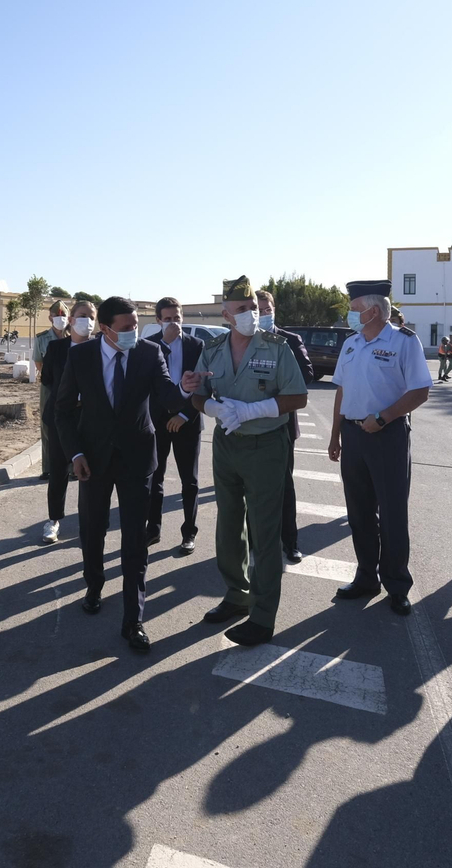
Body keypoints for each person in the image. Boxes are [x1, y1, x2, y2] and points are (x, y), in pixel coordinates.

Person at [55, 296, 187, 653]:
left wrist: (185, 389)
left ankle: (134, 620)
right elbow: (62, 411)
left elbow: (167, 395)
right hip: (92, 460)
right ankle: (94, 585)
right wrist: (75, 454)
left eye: (135, 326)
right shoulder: (81, 356)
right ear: (105, 329)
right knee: (92, 529)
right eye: (126, 328)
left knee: (134, 540)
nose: (133, 333)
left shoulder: (149, 353)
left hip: (137, 459)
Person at [189, 276, 309, 646]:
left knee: (264, 530)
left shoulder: (276, 347)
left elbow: (298, 397)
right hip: (226, 444)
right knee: (228, 524)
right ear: (226, 315)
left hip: (266, 445)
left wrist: (252, 410)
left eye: (253, 307)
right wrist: (211, 407)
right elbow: (197, 393)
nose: (250, 314)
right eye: (242, 309)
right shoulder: (213, 349)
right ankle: (236, 594)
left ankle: (262, 616)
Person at [327, 279, 432, 615]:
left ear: (373, 311)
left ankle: (397, 585)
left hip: (387, 435)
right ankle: (365, 578)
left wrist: (384, 418)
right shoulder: (351, 343)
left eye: (354, 308)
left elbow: (420, 391)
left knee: (392, 513)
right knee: (359, 513)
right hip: (353, 434)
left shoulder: (404, 341)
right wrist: (335, 435)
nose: (349, 314)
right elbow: (341, 391)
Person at [257, 288, 315, 563]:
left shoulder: (290, 340)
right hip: (249, 425)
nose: (263, 314)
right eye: (258, 310)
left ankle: (290, 542)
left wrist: (274, 378)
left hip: (281, 425)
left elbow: (307, 374)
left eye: (267, 309)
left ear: (274, 310)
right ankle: (257, 541)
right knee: (253, 489)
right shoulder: (244, 340)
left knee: (283, 486)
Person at [146, 297, 204, 553]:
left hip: (187, 421)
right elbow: (146, 383)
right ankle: (153, 529)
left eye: (177, 318)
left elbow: (203, 385)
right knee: (154, 478)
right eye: (167, 319)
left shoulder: (196, 345)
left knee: (189, 481)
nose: (173, 323)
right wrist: (165, 343)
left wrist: (184, 415)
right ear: (158, 320)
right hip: (157, 422)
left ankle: (189, 532)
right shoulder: (150, 346)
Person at [39, 300, 96, 543]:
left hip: (90, 417)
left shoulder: (99, 348)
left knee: (91, 470)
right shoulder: (57, 348)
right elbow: (47, 378)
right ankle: (53, 520)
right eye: (82, 315)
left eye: (91, 317)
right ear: (71, 320)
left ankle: (90, 520)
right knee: (58, 470)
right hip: (61, 416)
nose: (87, 321)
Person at [32, 300, 71, 478]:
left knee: (71, 424)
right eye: (56, 315)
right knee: (47, 424)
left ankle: (72, 467)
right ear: (50, 318)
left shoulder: (73, 337)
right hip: (49, 386)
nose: (60, 318)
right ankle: (48, 467)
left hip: (71, 386)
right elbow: (38, 362)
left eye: (63, 315)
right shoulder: (42, 338)